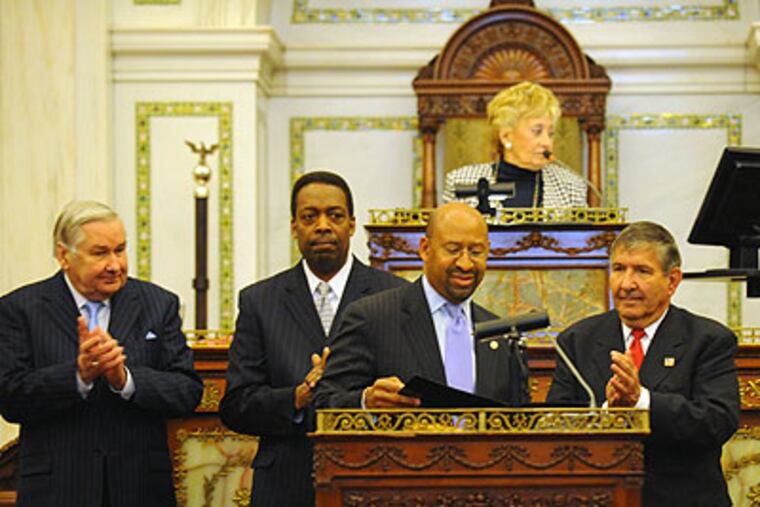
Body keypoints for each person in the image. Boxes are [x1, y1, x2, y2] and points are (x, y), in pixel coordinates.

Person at [219, 171, 406, 507]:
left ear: (351, 224)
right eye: (310, 217)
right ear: (294, 227)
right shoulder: (260, 301)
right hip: (285, 483)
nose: (322, 226)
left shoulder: (394, 295)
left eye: (334, 215)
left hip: (372, 476)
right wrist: (297, 397)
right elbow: (236, 406)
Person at [0, 200, 203, 507]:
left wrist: (125, 380)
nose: (115, 264)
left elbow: (187, 391)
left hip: (139, 489)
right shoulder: (21, 309)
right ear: (63, 255)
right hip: (56, 490)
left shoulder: (158, 304)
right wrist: (77, 376)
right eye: (100, 253)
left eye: (120, 250)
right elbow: (11, 398)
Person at [546, 221, 739, 507]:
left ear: (672, 281)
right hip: (599, 498)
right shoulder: (577, 340)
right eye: (619, 269)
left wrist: (642, 401)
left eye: (642, 271)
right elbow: (554, 425)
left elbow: (717, 421)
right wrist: (607, 413)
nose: (626, 284)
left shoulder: (708, 340)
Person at [315, 202, 528, 410]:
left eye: (476, 251)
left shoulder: (500, 334)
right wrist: (365, 401)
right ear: (425, 249)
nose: (465, 263)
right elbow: (325, 402)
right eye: (453, 250)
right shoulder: (371, 318)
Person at [443, 81, 587, 209]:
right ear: (506, 136)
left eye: (550, 133)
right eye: (537, 131)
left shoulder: (570, 186)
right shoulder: (460, 182)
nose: (547, 142)